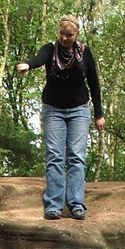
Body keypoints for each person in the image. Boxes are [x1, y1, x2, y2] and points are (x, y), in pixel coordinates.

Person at [16, 14, 105, 221]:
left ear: (77, 34)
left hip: (79, 110)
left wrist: (99, 114)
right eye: (62, 34)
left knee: (76, 156)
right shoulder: (51, 49)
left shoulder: (85, 53)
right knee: (55, 156)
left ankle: (76, 204)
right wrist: (28, 65)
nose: (65, 38)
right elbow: (39, 58)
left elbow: (94, 83)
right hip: (53, 110)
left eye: (69, 35)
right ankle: (54, 204)